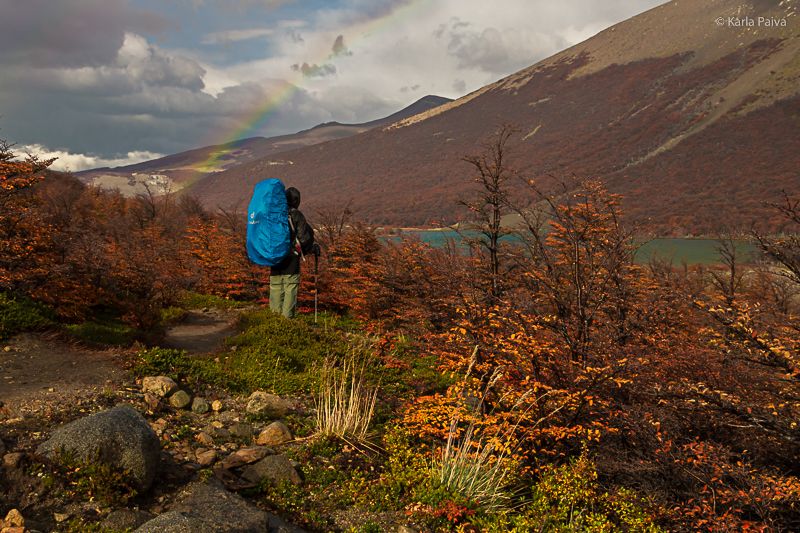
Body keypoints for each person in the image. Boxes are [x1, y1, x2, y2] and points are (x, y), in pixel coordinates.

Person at [269, 187, 315, 318]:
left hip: (275, 256)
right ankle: (286, 322)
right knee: (290, 288)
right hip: (291, 256)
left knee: (276, 287)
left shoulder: (275, 214)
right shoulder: (295, 214)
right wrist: (306, 250)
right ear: (296, 200)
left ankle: (272, 320)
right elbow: (304, 238)